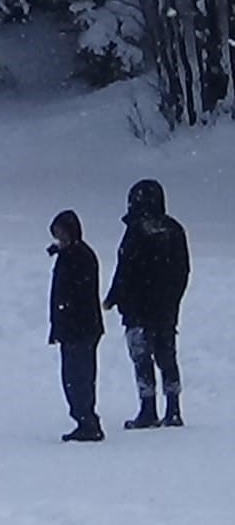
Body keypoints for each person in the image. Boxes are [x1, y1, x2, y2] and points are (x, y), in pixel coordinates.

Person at [103, 179, 191, 429]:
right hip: (164, 309)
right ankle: (173, 409)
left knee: (142, 357)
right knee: (167, 355)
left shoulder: (136, 231)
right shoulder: (174, 230)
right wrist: (172, 298)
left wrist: (114, 297)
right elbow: (182, 271)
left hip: (137, 309)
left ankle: (148, 408)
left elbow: (125, 269)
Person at [48, 211, 105, 442]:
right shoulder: (73, 255)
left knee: (78, 377)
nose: (58, 239)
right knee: (76, 376)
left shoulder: (78, 257)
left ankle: (87, 421)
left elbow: (72, 294)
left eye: (60, 234)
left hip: (80, 328)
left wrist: (63, 322)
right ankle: (84, 418)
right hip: (77, 328)